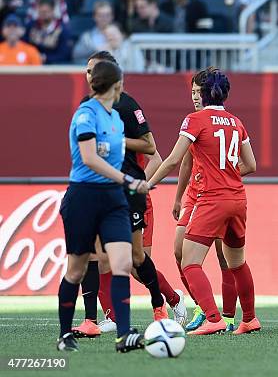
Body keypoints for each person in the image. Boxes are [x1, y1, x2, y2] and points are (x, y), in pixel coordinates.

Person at [71, 51, 185, 339]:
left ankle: (165, 301)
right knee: (94, 254)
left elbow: (151, 149)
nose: (90, 76)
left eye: (95, 71)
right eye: (87, 71)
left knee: (135, 259)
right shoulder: (86, 108)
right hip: (99, 190)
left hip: (129, 192)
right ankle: (92, 319)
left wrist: (137, 181)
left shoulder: (127, 105)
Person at [148, 69, 260, 335]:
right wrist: (226, 174)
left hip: (212, 200)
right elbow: (251, 164)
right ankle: (250, 319)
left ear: (204, 93)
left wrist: (148, 183)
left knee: (189, 262)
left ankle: (213, 317)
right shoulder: (236, 122)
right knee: (237, 263)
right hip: (237, 199)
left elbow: (174, 159)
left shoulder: (195, 120)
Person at [58, 59, 149, 352]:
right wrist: (128, 180)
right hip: (84, 197)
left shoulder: (116, 119)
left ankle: (124, 334)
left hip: (113, 199)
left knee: (122, 263)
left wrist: (137, 181)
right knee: (76, 269)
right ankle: (64, 334)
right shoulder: (85, 114)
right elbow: (89, 158)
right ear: (118, 85)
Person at [172, 67, 239, 332]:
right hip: (194, 195)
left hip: (216, 194)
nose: (195, 97)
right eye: (192, 92)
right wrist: (178, 197)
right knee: (179, 251)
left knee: (225, 258)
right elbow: (185, 163)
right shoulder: (192, 123)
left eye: (198, 92)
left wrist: (223, 174)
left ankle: (228, 315)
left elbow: (245, 164)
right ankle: (203, 306)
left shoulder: (215, 122)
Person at [25, 0, 72, 64]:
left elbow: (64, 54)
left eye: (46, 11)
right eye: (41, 12)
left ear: (53, 11)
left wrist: (45, 58)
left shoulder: (62, 29)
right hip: (31, 63)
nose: (43, 14)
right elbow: (24, 45)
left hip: (53, 66)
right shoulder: (31, 26)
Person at [72, 0, 114, 64]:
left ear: (112, 17)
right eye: (100, 15)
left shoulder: (119, 36)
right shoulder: (87, 37)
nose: (104, 18)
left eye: (107, 15)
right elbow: (76, 54)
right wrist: (96, 50)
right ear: (94, 17)